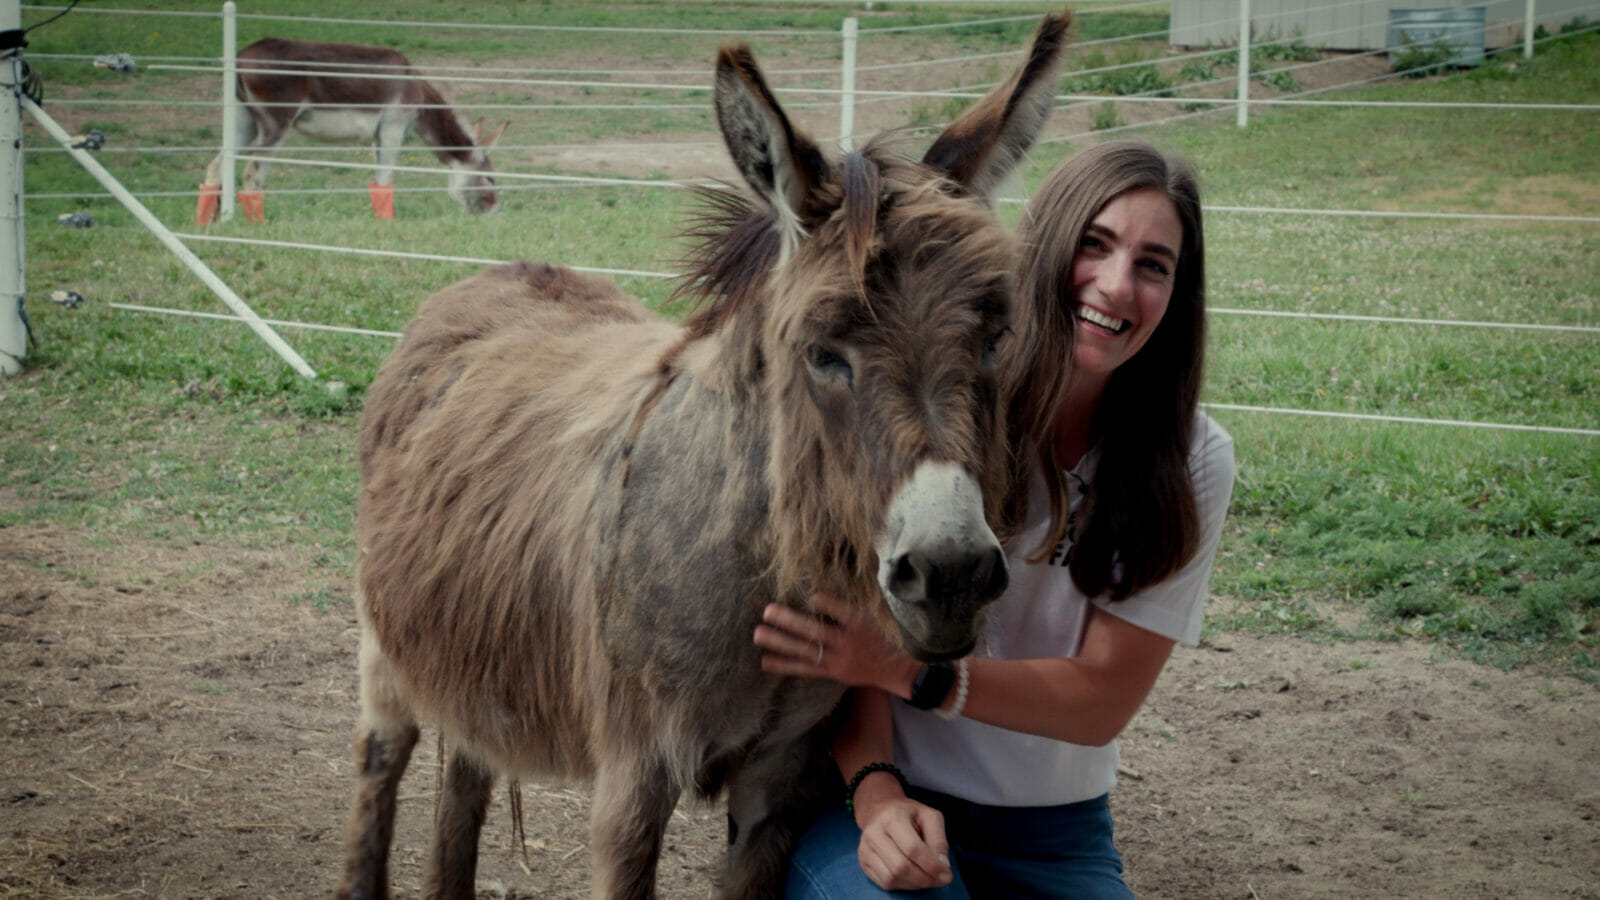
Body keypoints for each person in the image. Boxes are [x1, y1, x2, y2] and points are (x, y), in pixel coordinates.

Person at [753, 139, 1236, 898]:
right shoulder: (945, 397)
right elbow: (853, 630)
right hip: (886, 796)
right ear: (1044, 244)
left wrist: (913, 672)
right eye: (1096, 244)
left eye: (1153, 265)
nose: (1114, 286)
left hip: (1060, 833)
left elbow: (1101, 700)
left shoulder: (1193, 459)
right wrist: (877, 796)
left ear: (1178, 293)